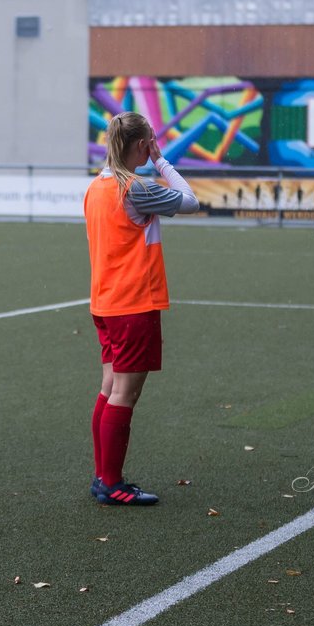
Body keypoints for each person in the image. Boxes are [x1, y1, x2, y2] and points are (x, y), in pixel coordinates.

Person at [84, 111, 199, 506]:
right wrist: (163, 161)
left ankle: (103, 477)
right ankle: (112, 483)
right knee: (124, 396)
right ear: (141, 146)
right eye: (150, 142)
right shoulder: (135, 187)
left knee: (108, 388)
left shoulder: (96, 186)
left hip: (105, 302)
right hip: (133, 303)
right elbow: (191, 201)